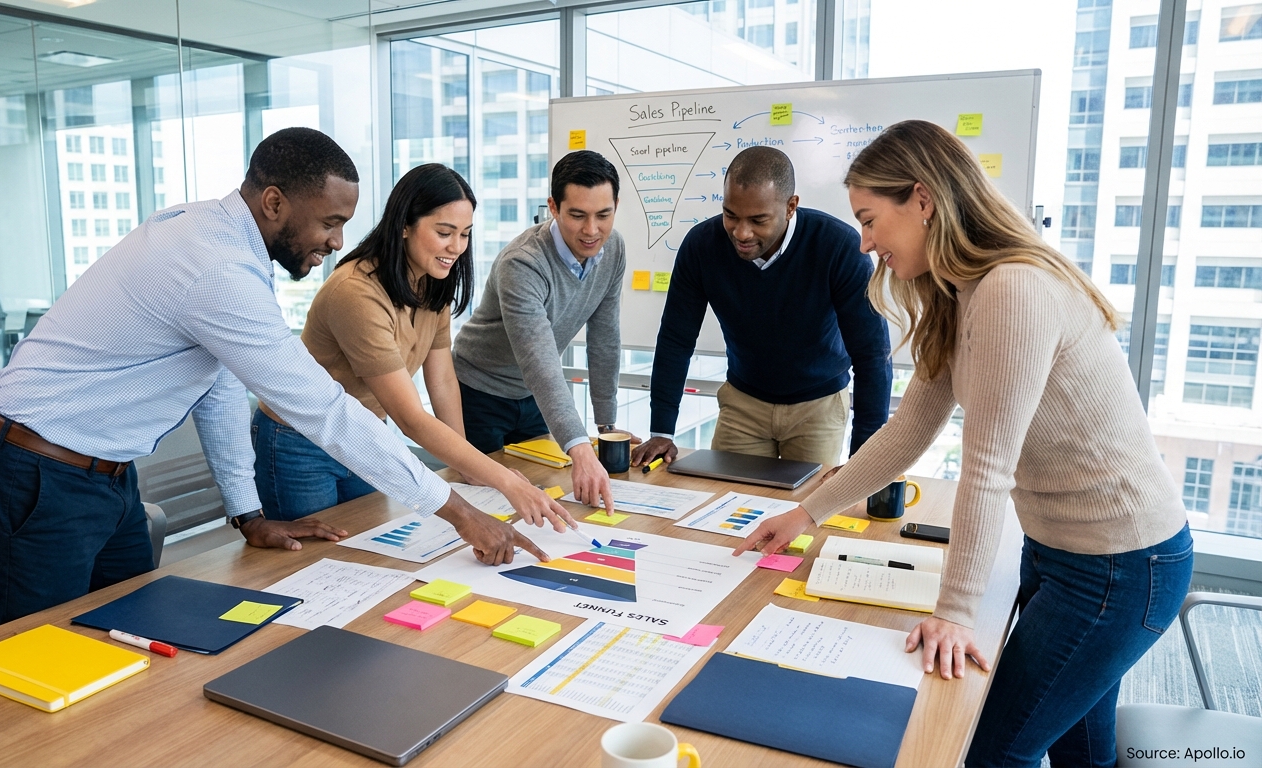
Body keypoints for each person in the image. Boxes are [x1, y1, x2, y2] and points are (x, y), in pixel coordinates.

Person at [0, 128, 549, 633]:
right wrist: (462, 514)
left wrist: (247, 512)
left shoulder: (217, 239)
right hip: (26, 473)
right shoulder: (217, 267)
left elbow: (219, 385)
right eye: (330, 223)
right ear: (275, 203)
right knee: (30, 669)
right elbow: (325, 411)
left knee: (125, 639)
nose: (337, 242)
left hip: (102, 478)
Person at [735, 120, 1192, 767]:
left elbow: (986, 468)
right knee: (1079, 750)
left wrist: (953, 612)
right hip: (1066, 552)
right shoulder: (962, 293)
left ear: (921, 200)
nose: (864, 242)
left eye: (870, 219)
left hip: (1122, 567)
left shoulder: (1012, 288)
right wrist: (806, 512)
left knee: (990, 752)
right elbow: (909, 430)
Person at [253, 162, 573, 527]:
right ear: (405, 224)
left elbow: (442, 381)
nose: (456, 247)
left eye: (465, 234)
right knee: (310, 563)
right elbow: (409, 418)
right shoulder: (355, 292)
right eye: (444, 232)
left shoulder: (432, 283)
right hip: (300, 440)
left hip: (362, 433)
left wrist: (467, 465)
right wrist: (500, 478)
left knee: (364, 548)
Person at [631, 146, 891, 471]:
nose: (741, 233)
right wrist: (661, 430)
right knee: (721, 506)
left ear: (791, 206)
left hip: (818, 407)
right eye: (730, 215)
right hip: (743, 405)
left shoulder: (838, 247)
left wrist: (864, 460)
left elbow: (872, 356)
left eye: (758, 220)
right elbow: (675, 338)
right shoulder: (701, 246)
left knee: (806, 511)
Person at [452, 150, 634, 512]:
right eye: (577, 215)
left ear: (616, 205)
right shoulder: (523, 262)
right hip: (479, 393)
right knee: (489, 505)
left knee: (544, 494)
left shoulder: (613, 249)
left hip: (533, 400)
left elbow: (604, 340)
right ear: (554, 206)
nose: (591, 230)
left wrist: (606, 425)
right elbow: (541, 362)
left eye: (603, 215)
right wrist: (579, 448)